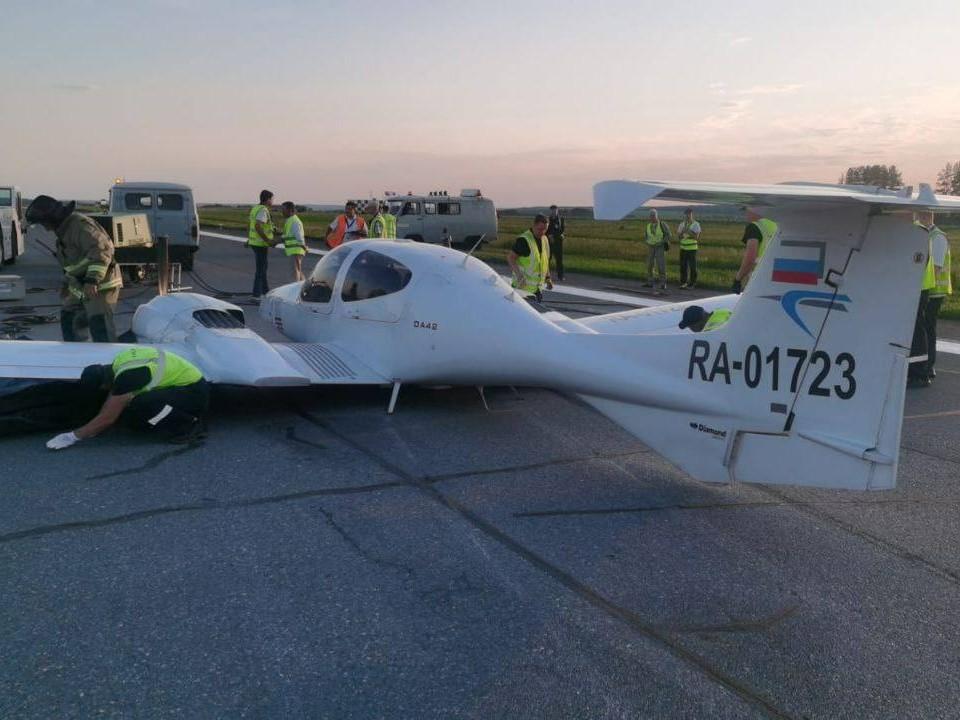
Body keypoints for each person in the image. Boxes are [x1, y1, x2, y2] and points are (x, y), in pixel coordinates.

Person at [45, 347, 210, 450]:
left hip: (194, 393)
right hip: (181, 384)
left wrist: (73, 436)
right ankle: (170, 417)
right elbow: (113, 399)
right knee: (132, 414)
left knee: (143, 405)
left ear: (104, 385)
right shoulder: (119, 362)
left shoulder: (129, 376)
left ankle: (189, 425)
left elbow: (108, 418)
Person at [24, 194, 123, 342]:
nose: (44, 228)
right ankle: (76, 358)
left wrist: (92, 279)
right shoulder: (64, 231)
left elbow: (101, 250)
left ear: (51, 218)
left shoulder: (79, 225)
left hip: (100, 286)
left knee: (100, 326)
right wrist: (68, 284)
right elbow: (73, 264)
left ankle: (107, 360)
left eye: (43, 223)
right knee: (70, 319)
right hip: (81, 287)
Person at [909, 212, 950, 387]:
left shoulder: (937, 237)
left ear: (926, 216)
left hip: (933, 291)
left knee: (926, 329)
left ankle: (927, 366)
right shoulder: (928, 234)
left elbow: (937, 267)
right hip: (929, 290)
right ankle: (927, 366)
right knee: (925, 329)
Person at [507, 213, 552, 301]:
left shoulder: (545, 239)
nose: (542, 232)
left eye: (545, 229)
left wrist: (548, 278)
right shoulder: (524, 240)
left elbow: (544, 261)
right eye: (540, 229)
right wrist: (519, 275)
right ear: (534, 225)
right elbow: (510, 257)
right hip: (522, 291)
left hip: (537, 290)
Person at [733, 209, 778, 293]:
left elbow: (750, 259)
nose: (746, 215)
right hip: (775, 275)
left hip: (759, 277)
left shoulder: (754, 227)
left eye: (747, 211)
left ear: (754, 210)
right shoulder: (776, 225)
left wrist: (738, 279)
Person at [248, 189, 276, 300]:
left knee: (263, 267)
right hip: (260, 243)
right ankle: (256, 295)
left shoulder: (255, 208)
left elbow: (252, 225)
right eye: (272, 199)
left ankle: (265, 291)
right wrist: (267, 240)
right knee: (261, 269)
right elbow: (258, 226)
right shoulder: (263, 210)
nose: (273, 201)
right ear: (268, 199)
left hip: (255, 242)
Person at [642, 209, 670, 294]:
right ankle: (650, 282)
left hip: (659, 247)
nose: (651, 217)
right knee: (650, 265)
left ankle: (663, 283)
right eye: (650, 216)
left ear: (656, 216)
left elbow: (668, 235)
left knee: (661, 265)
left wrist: (661, 242)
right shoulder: (648, 225)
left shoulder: (662, 224)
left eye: (653, 216)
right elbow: (646, 235)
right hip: (651, 247)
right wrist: (647, 241)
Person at [279, 201, 306, 282]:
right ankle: (304, 287)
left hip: (295, 251)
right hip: (294, 250)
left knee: (295, 273)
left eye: (284, 210)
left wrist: (303, 246)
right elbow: (286, 236)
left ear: (290, 210)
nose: (282, 212)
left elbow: (299, 236)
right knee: (298, 271)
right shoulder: (290, 220)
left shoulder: (294, 221)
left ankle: (295, 290)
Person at [677, 208, 702, 289]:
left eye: (689, 214)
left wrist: (688, 231)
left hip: (692, 249)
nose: (688, 215)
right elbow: (679, 237)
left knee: (692, 267)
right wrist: (682, 232)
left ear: (692, 214)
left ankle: (692, 283)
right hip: (683, 248)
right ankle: (683, 282)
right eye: (686, 214)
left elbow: (696, 237)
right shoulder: (681, 224)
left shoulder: (696, 224)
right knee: (683, 266)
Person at [547, 205, 566, 282]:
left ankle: (560, 276)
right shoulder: (548, 220)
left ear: (557, 210)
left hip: (558, 242)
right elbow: (545, 230)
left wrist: (562, 234)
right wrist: (548, 235)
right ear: (550, 211)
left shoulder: (561, 219)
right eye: (552, 210)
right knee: (547, 259)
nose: (554, 212)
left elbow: (562, 229)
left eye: (555, 210)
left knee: (559, 260)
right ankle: (546, 276)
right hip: (549, 242)